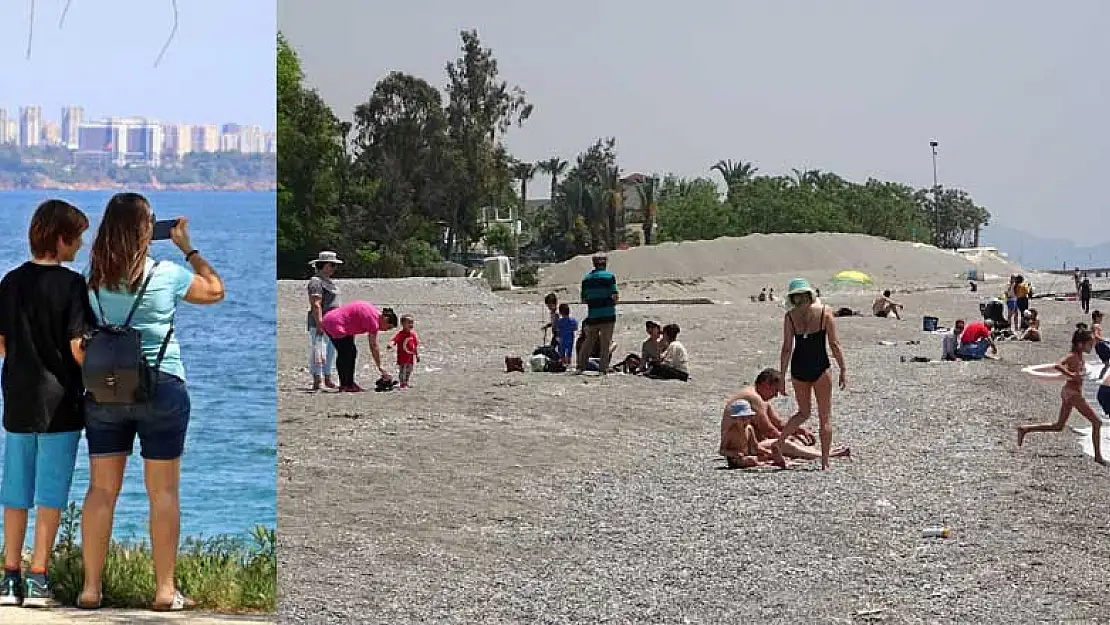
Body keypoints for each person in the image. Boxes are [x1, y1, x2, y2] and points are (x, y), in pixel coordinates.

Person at [78, 193, 225, 611]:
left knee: (102, 490)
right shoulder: (167, 273)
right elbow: (215, 290)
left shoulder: (93, 275)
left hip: (106, 385)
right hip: (161, 382)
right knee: (163, 492)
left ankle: (90, 588)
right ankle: (164, 590)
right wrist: (188, 247)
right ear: (147, 229)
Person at [0, 200, 95, 608]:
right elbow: (78, 348)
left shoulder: (10, 282)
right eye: (77, 238)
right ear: (61, 239)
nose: (80, 246)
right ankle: (39, 576)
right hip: (60, 402)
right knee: (51, 491)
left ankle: (9, 576)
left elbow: (2, 342)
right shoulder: (73, 286)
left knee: (15, 487)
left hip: (18, 395)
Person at [771, 278, 847, 470]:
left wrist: (782, 376)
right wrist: (843, 369)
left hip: (799, 367)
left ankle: (779, 442)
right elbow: (834, 344)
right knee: (825, 416)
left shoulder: (790, 316)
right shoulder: (824, 313)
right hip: (820, 366)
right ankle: (824, 462)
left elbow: (787, 348)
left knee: (803, 412)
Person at [719, 368, 849, 468]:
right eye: (775, 391)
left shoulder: (759, 398)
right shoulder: (753, 398)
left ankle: (818, 452)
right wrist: (784, 438)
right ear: (765, 385)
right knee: (784, 442)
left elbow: (778, 422)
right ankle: (827, 454)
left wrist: (800, 431)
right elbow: (769, 430)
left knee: (788, 440)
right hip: (743, 448)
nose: (775, 395)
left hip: (752, 444)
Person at [1017, 328, 1107, 466]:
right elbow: (1057, 365)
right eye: (1090, 344)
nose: (1092, 347)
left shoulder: (1080, 356)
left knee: (1058, 426)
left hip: (1068, 393)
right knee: (1097, 422)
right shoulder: (1072, 356)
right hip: (1073, 394)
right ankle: (1098, 457)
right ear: (1080, 344)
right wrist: (1072, 376)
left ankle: (1025, 429)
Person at [321, 301, 398, 392]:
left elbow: (353, 317)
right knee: (346, 353)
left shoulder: (373, 312)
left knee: (350, 352)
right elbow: (373, 346)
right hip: (335, 323)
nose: (385, 330)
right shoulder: (373, 322)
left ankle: (348, 383)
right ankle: (346, 384)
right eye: (388, 327)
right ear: (385, 319)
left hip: (332, 320)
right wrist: (380, 366)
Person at [576, 253, 618, 375]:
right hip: (608, 314)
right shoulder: (610, 277)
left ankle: (580, 366)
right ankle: (602, 369)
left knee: (589, 341)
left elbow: (583, 299)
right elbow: (615, 295)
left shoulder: (586, 279)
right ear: (605, 264)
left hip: (593, 315)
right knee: (605, 343)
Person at [306, 251, 342, 391]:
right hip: (321, 322)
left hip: (332, 323)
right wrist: (320, 323)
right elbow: (316, 304)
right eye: (332, 265)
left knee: (330, 351)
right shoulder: (316, 282)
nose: (334, 268)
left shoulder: (329, 282)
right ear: (324, 265)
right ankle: (317, 379)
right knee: (318, 351)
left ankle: (327, 378)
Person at [388, 314, 420, 389]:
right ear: (403, 324)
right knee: (403, 370)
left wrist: (417, 355)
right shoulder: (401, 334)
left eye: (412, 322)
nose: (411, 324)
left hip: (410, 357)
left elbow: (414, 345)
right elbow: (394, 340)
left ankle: (406, 382)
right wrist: (391, 344)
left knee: (409, 370)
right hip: (402, 357)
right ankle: (402, 383)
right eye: (408, 323)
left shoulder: (412, 335)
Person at [1092, 310, 1109, 379]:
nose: (1101, 319)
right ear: (1097, 318)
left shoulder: (1093, 324)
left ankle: (1100, 378)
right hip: (1101, 345)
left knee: (1107, 364)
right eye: (1100, 317)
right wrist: (1104, 340)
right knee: (1107, 364)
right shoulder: (1096, 326)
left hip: (1098, 347)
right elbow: (1096, 335)